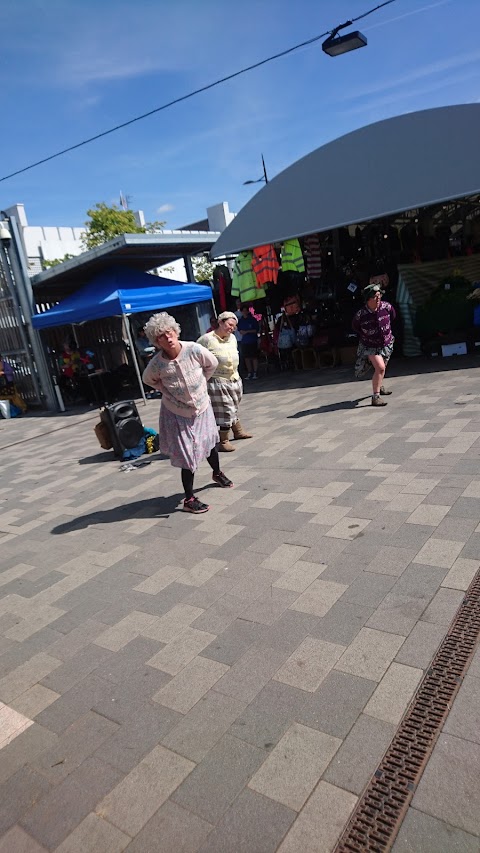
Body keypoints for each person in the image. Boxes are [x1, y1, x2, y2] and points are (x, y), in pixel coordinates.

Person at [142, 312, 233, 514]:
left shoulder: (193, 349)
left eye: (170, 332)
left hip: (202, 407)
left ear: (175, 331)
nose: (167, 337)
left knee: (209, 441)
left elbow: (212, 364)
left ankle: (217, 473)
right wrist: (166, 391)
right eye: (161, 336)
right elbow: (148, 379)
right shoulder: (157, 364)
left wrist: (201, 384)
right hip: (177, 413)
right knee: (187, 454)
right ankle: (189, 498)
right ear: (156, 342)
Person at [197, 311, 252, 452]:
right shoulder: (206, 339)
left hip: (234, 378)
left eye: (234, 326)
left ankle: (238, 431)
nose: (232, 328)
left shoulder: (232, 338)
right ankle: (223, 441)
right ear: (220, 323)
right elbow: (195, 356)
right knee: (226, 409)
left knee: (233, 406)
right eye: (229, 324)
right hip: (217, 380)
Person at [352, 283, 395, 407]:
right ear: (368, 299)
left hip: (386, 342)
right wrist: (368, 336)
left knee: (383, 366)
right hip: (370, 346)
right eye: (375, 296)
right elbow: (355, 326)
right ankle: (376, 397)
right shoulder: (361, 315)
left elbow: (393, 316)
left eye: (379, 295)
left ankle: (379, 385)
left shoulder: (387, 307)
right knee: (380, 367)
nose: (378, 298)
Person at [237, 305, 259, 379]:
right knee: (247, 358)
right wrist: (244, 332)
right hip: (244, 341)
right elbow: (239, 330)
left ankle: (255, 372)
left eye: (246, 310)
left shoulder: (252, 319)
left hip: (252, 340)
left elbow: (256, 330)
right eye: (243, 311)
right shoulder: (241, 321)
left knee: (254, 357)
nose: (244, 312)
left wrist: (247, 331)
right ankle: (250, 372)